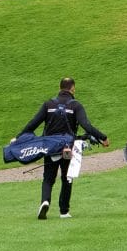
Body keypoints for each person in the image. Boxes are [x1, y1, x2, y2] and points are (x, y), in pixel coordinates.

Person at [14, 77, 109, 219]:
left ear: (59, 88)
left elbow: (33, 123)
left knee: (48, 178)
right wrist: (103, 137)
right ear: (73, 89)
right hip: (67, 148)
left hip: (50, 147)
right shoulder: (76, 105)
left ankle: (45, 201)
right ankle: (64, 211)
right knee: (67, 177)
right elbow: (86, 125)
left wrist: (18, 138)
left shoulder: (48, 104)